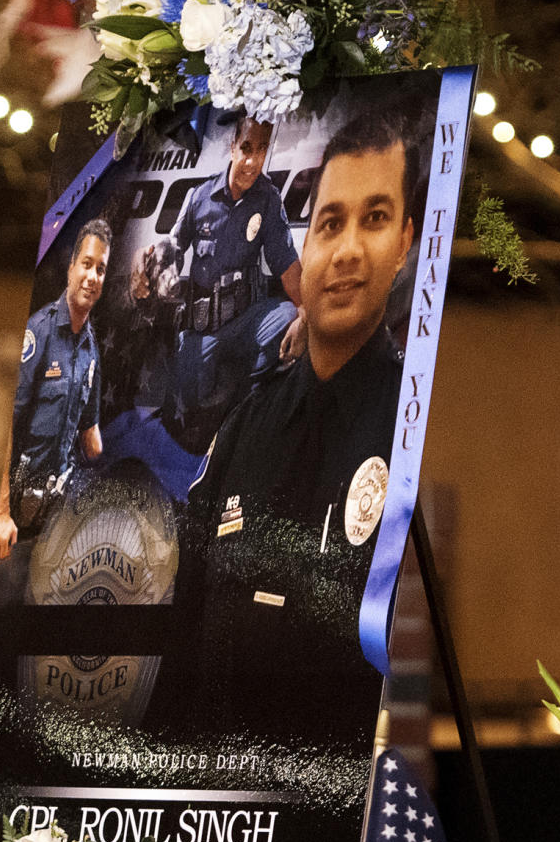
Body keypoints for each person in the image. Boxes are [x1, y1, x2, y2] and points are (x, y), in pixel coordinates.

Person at [164, 93, 430, 736]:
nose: (344, 251)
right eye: (330, 223)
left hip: (334, 813)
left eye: (374, 218)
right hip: (216, 812)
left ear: (405, 244)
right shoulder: (247, 425)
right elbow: (183, 629)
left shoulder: (410, 425)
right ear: (307, 247)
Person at [132, 115, 306, 451]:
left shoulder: (267, 199)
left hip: (246, 320)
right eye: (246, 149)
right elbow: (174, 244)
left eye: (261, 150)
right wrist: (150, 254)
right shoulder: (200, 197)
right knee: (189, 404)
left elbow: (285, 261)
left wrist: (306, 313)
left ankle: (248, 404)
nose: (252, 161)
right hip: (203, 329)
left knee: (286, 318)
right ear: (232, 147)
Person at [0, 217, 111, 560]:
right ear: (71, 267)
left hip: (55, 521)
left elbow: (91, 438)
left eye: (101, 269)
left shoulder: (91, 348)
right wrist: (0, 515)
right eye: (86, 264)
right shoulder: (38, 334)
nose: (92, 277)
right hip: (14, 523)